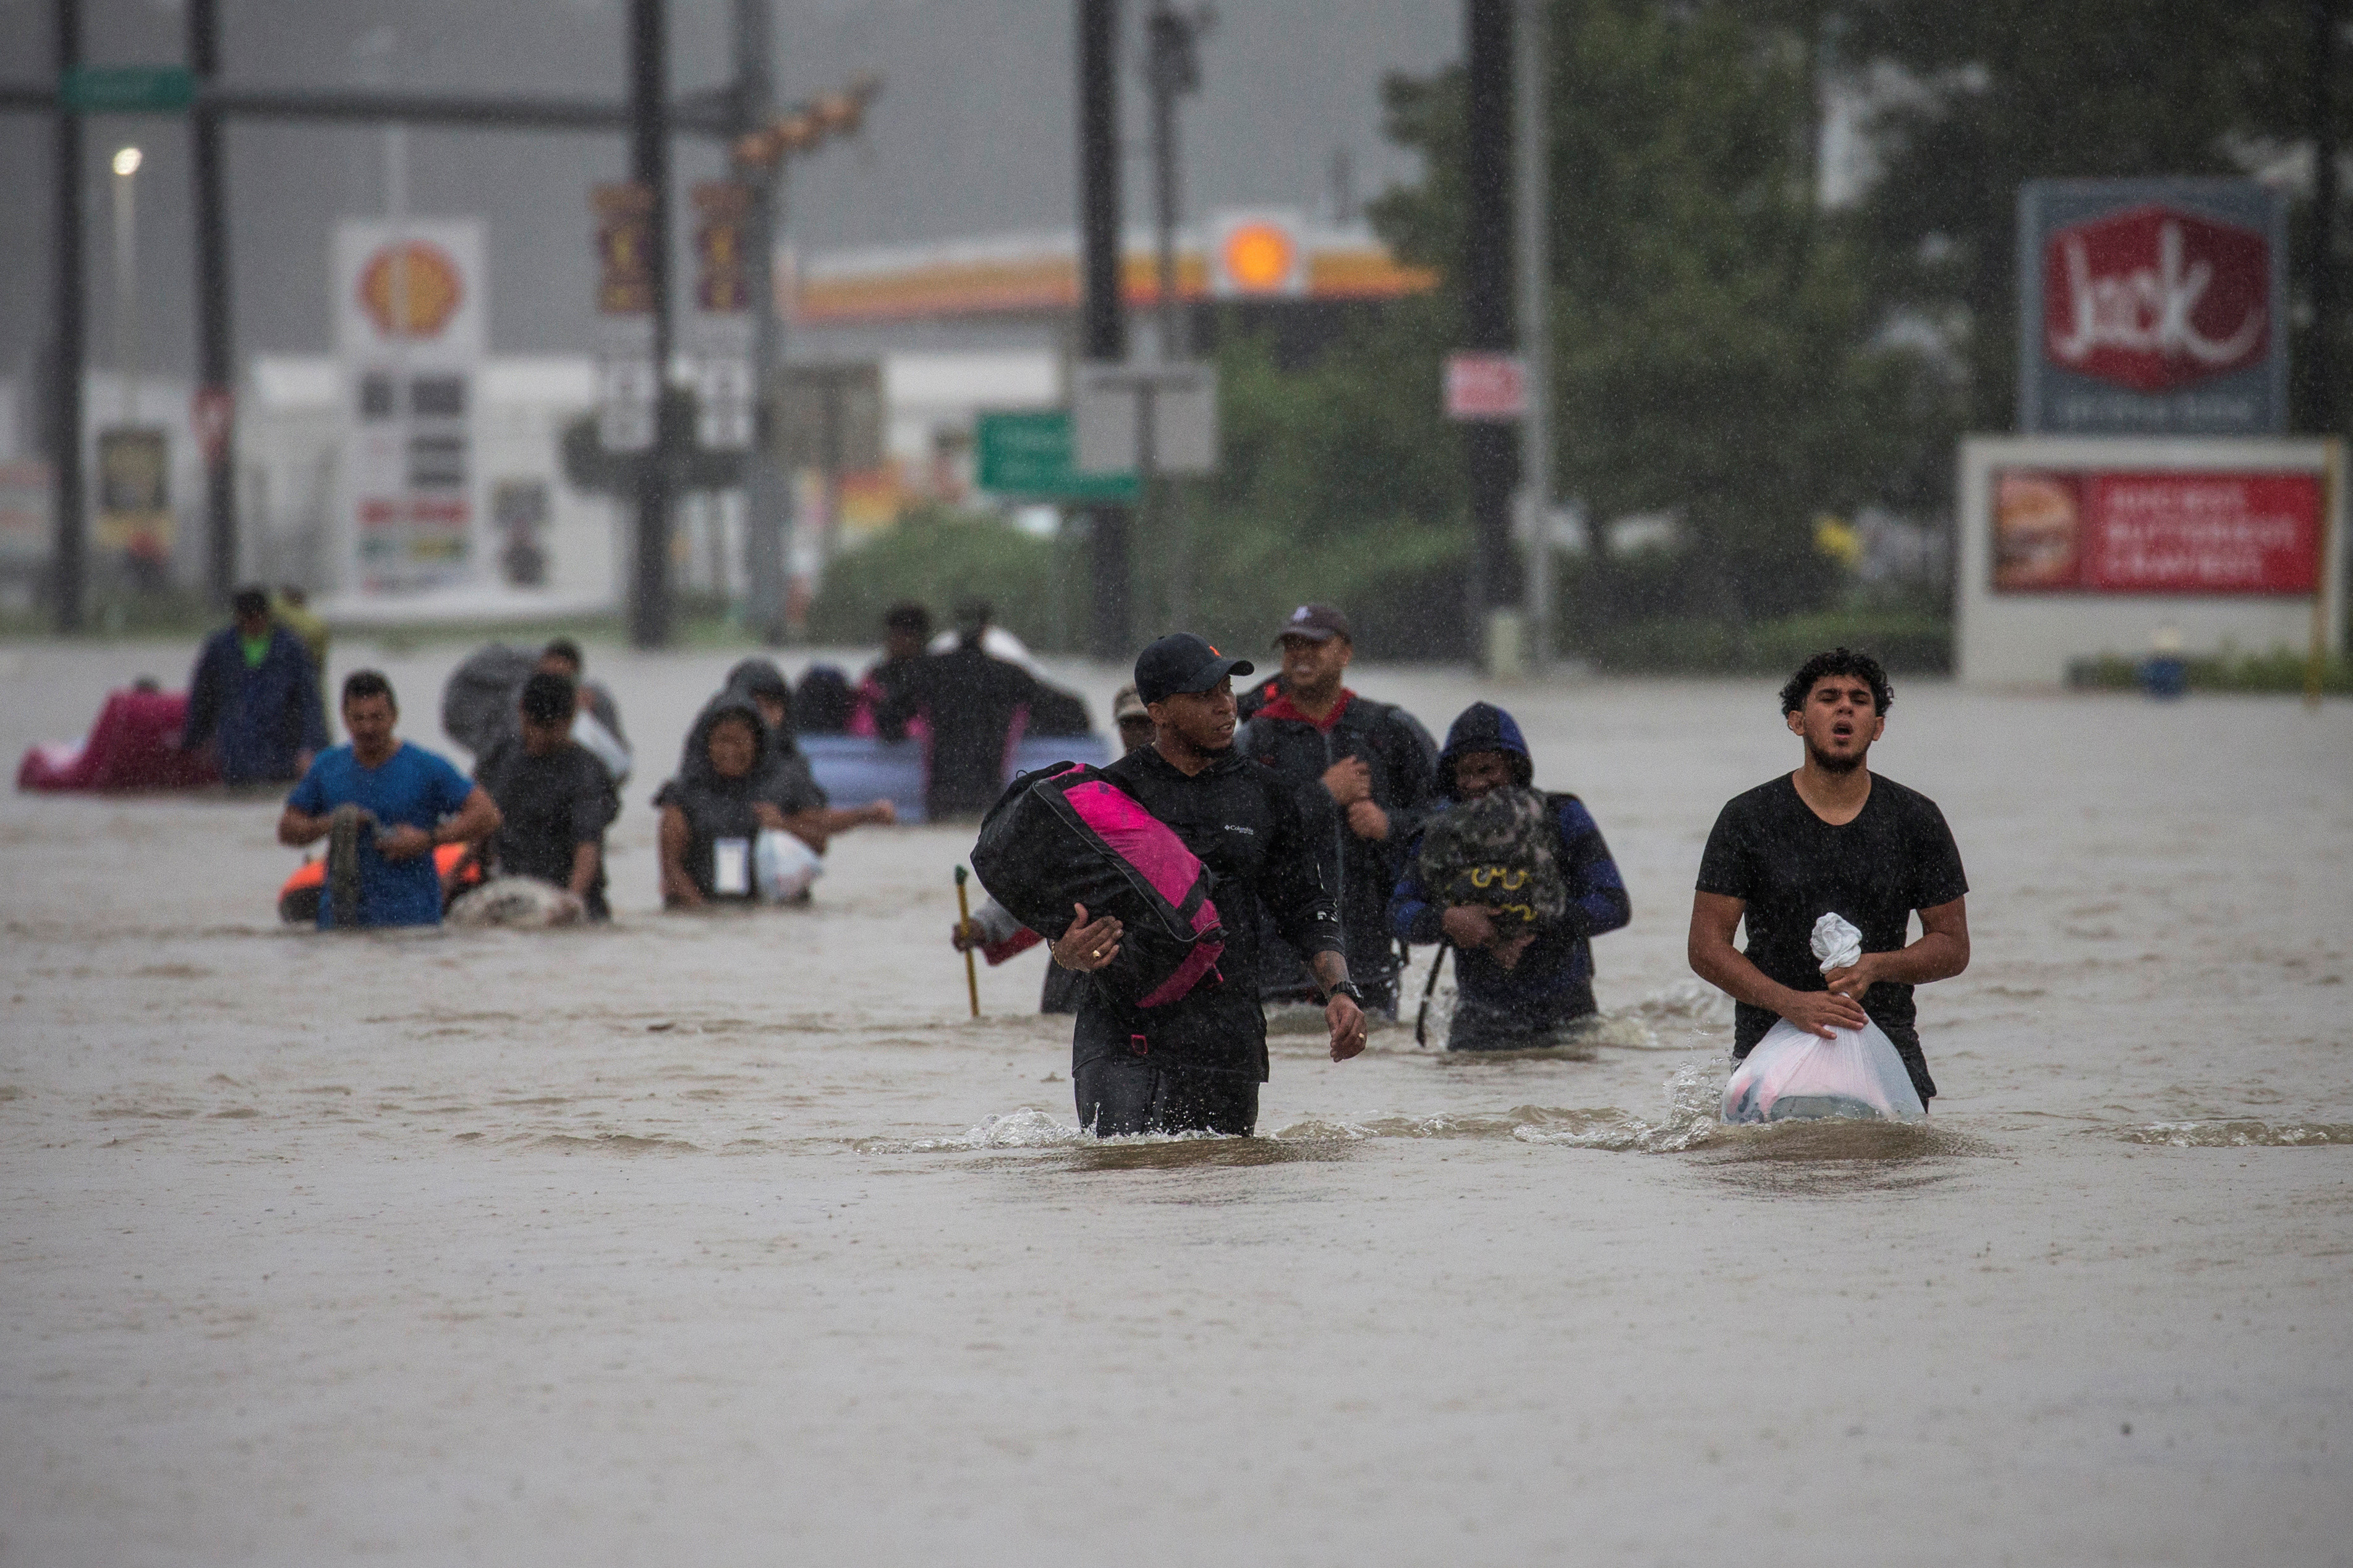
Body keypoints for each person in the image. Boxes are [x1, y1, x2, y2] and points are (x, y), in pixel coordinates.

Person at [1049, 634, 1367, 1136]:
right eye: (1203, 697)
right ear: (1159, 711)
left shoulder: (1266, 794)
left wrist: (1341, 990)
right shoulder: (1112, 795)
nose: (1225, 707)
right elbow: (1064, 916)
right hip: (1124, 1041)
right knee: (1126, 1182)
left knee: (1223, 1191)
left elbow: (1306, 907)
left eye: (1226, 690)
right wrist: (1065, 949)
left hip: (1228, 1041)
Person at [1687, 647, 1970, 1109]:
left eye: (1860, 700)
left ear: (1877, 727)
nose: (1845, 707)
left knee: (1896, 1176)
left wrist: (1876, 966)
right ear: (1797, 721)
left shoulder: (1917, 819)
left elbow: (1953, 945)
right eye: (1829, 697)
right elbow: (1705, 947)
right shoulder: (1748, 818)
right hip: (1771, 1048)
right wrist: (1790, 1002)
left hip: (1886, 1048)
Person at [1235, 603, 1439, 1016]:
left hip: (1367, 962)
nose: (1300, 654)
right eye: (1291, 645)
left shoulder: (1389, 730)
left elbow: (1448, 815)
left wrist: (1389, 824)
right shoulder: (1255, 740)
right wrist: (1324, 795)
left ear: (1346, 653)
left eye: (1315, 644)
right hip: (1278, 969)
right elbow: (1236, 834)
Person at [1389, 701, 1631, 1049]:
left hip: (1567, 1013)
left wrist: (1542, 928)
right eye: (1465, 773)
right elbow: (1398, 913)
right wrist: (1448, 920)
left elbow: (1614, 903)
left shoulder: (1562, 815)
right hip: (1479, 1020)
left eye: (1488, 770)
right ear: (1450, 777)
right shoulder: (1436, 835)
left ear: (1515, 769)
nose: (1476, 784)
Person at [954, 683, 1158, 1015]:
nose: (1137, 734)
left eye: (1145, 723)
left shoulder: (1189, 799)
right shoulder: (1091, 796)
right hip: (1081, 958)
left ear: (1164, 722)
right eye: (1128, 724)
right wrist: (984, 926)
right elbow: (1041, 876)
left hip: (1151, 958)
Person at [277, 671, 501, 929]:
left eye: (376, 717)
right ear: (345, 718)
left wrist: (427, 840)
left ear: (394, 716)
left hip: (414, 925)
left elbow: (487, 815)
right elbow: (287, 830)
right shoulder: (327, 767)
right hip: (339, 926)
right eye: (358, 718)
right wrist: (332, 824)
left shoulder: (425, 767)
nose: (367, 728)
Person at [874, 600, 1042, 820]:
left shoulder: (929, 670)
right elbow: (1068, 711)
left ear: (956, 631)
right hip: (988, 794)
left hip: (943, 793)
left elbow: (888, 722)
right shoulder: (1010, 675)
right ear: (985, 631)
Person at [469, 672, 615, 919]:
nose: (538, 736)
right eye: (532, 725)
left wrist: (573, 901)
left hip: (566, 895)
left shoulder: (587, 771)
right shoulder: (500, 759)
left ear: (570, 721)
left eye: (548, 728)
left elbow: (588, 843)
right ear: (521, 713)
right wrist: (452, 878)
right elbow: (480, 824)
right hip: (506, 890)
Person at [717, 657, 896, 853]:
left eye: (773, 707)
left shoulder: (790, 767)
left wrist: (783, 826)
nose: (765, 717)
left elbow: (818, 836)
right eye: (757, 706)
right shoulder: (704, 763)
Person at [182, 585, 329, 786]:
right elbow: (203, 696)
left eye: (257, 619)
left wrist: (312, 746)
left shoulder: (291, 648)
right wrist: (196, 740)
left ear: (267, 617)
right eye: (246, 620)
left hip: (283, 747)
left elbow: (310, 700)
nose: (253, 626)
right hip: (236, 749)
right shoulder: (220, 648)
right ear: (238, 618)